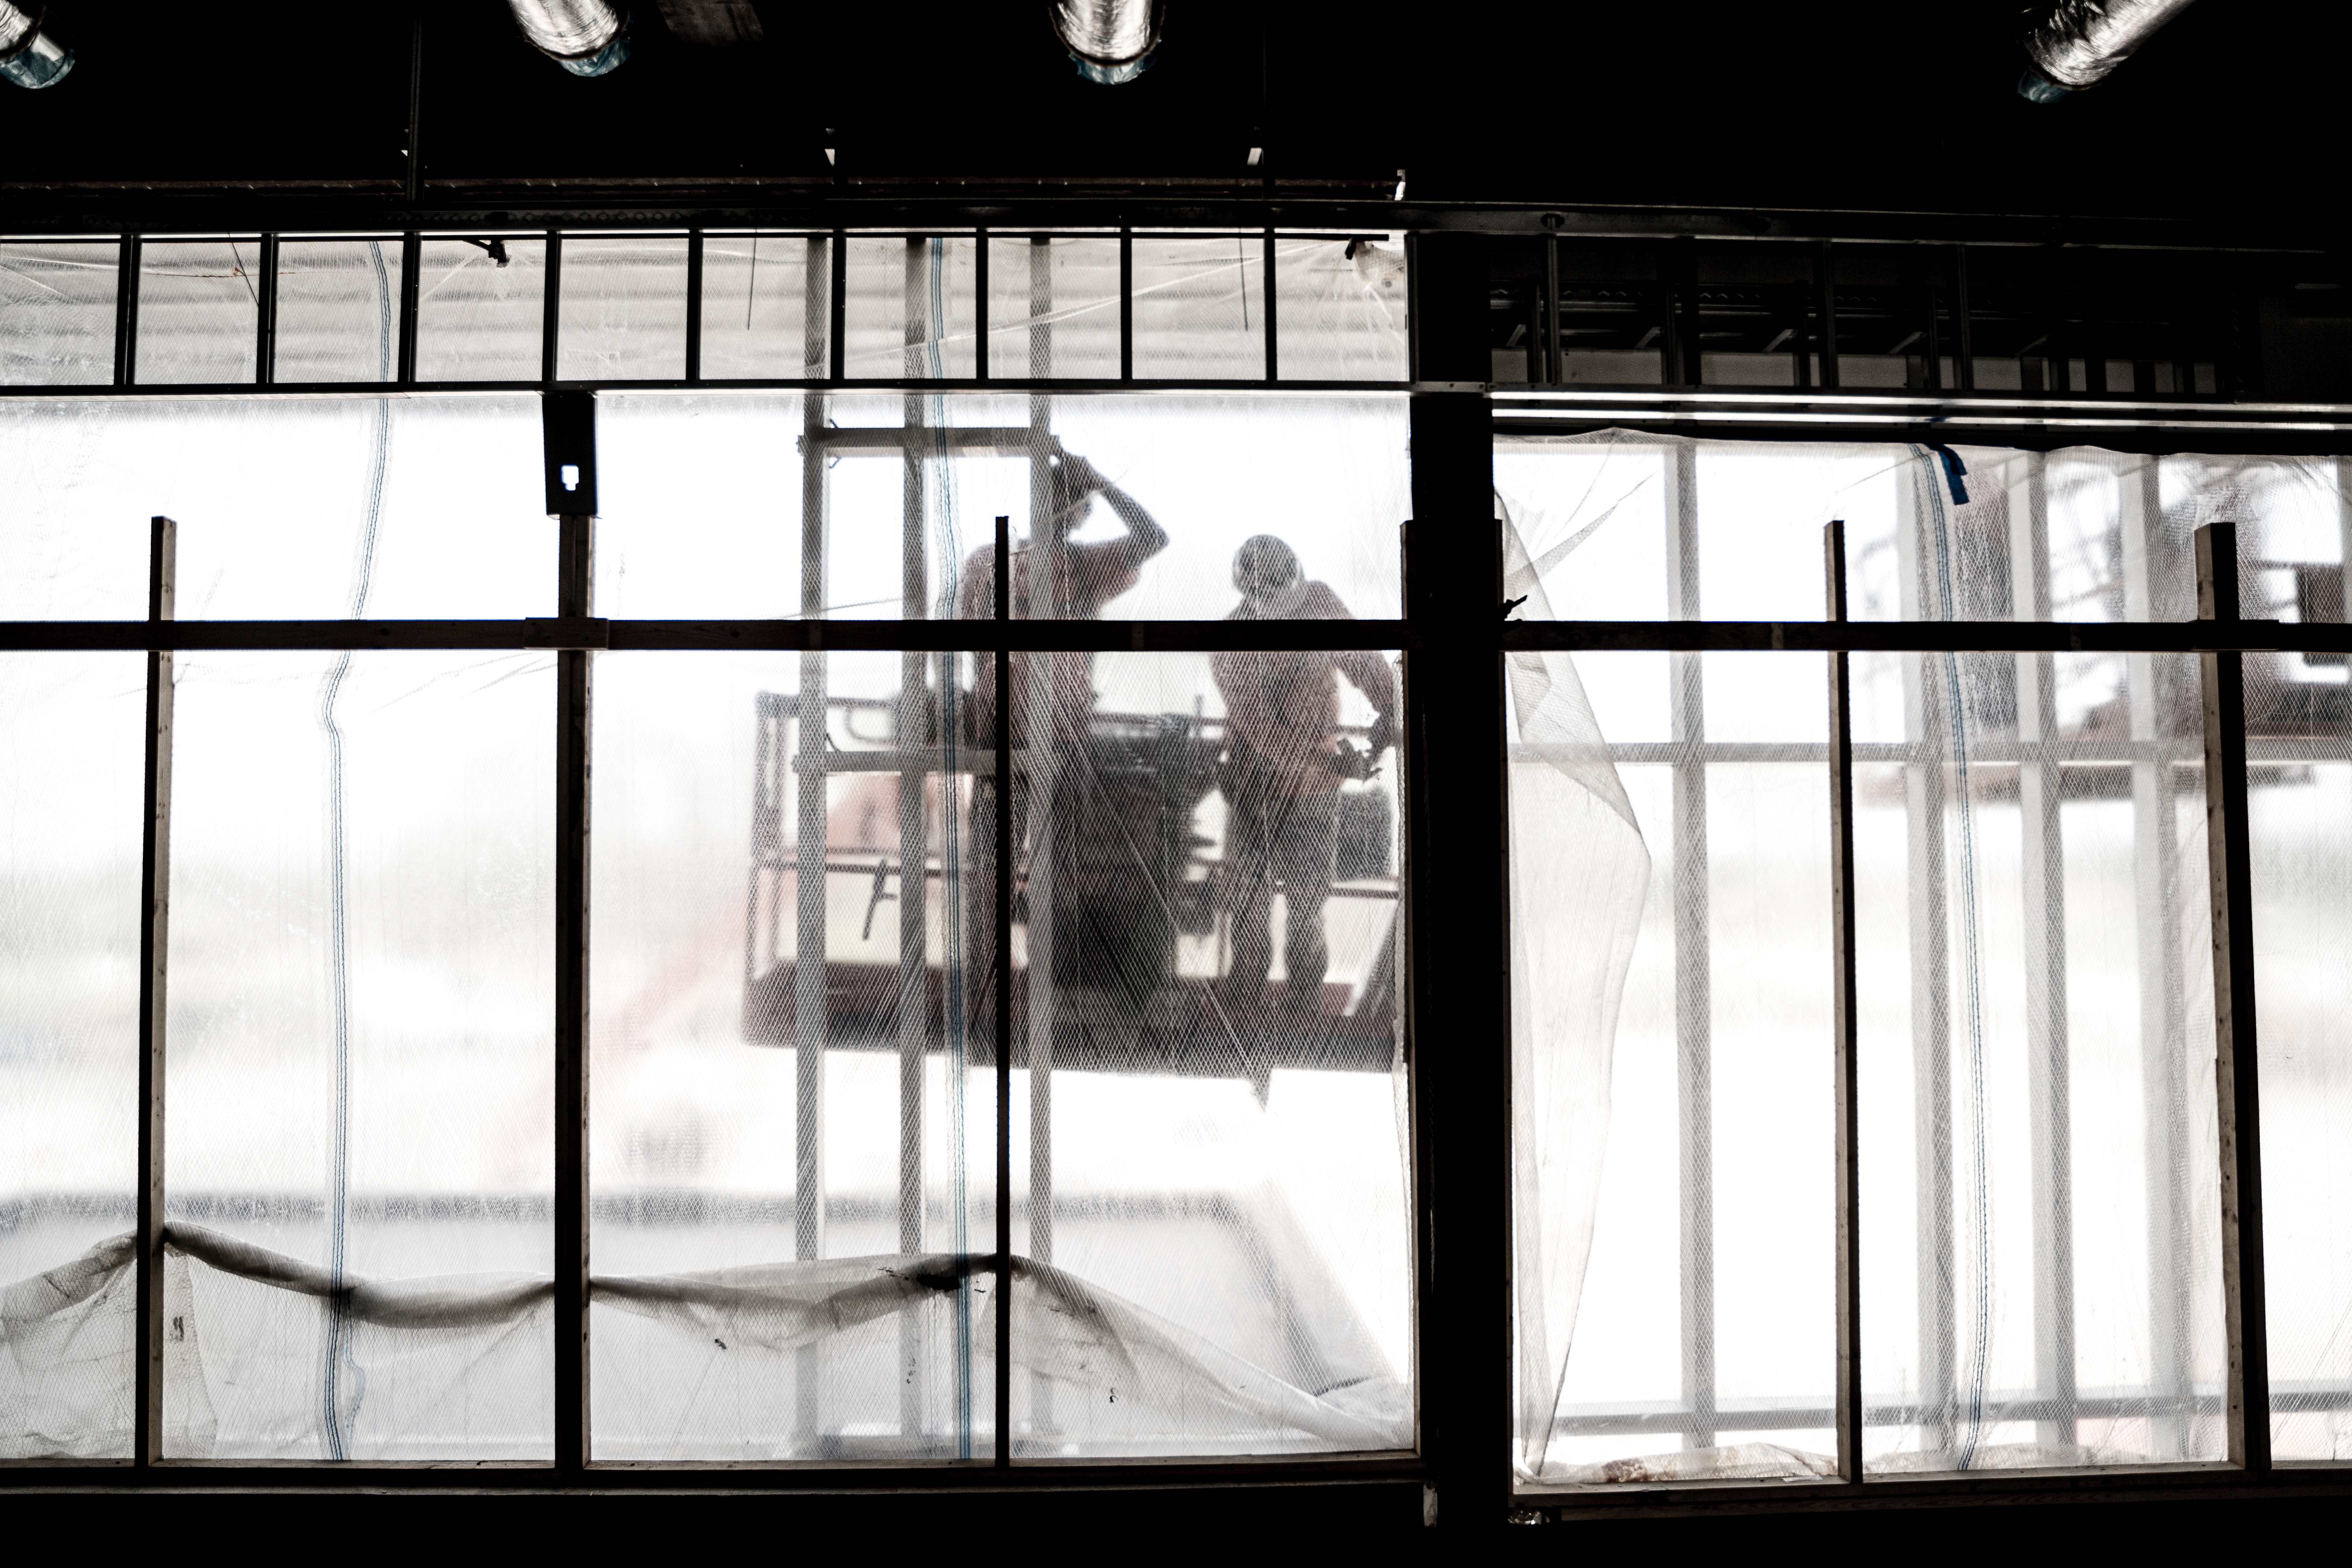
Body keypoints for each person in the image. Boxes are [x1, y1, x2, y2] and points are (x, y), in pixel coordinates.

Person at [955, 443, 1169, 1003]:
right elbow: (961, 639)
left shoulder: (1086, 567)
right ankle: (987, 982)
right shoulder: (989, 562)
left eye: (1073, 504)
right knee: (989, 867)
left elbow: (1153, 539)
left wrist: (1096, 477)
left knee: (1055, 866)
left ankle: (1051, 986)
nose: (1064, 513)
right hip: (999, 735)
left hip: (1061, 740)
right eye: (1055, 502)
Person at [1211, 535, 1398, 1015]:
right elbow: (1264, 732)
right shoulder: (1229, 643)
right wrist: (1337, 763)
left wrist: (1390, 709)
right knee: (1248, 902)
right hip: (1257, 784)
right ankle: (1245, 1004)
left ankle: (1299, 1003)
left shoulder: (1317, 602)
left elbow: (1365, 661)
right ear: (1251, 598)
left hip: (1311, 789)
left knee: (1306, 903)